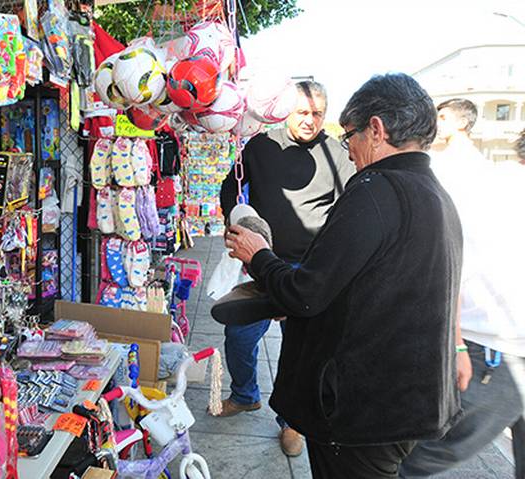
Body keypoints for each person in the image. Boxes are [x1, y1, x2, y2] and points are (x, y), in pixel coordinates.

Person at [217, 73, 463, 478]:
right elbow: (374, 288)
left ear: (377, 129)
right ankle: (246, 395)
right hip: (405, 403)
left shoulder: (375, 189)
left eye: (350, 135)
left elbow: (306, 294)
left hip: (363, 412)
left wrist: (259, 256)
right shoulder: (433, 192)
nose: (348, 150)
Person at [216, 80, 355, 457]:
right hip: (264, 261)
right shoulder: (260, 144)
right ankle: (245, 395)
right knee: (239, 334)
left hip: (313, 267)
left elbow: (350, 208)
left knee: (303, 349)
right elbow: (231, 187)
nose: (310, 121)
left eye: (318, 114)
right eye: (303, 112)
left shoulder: (337, 154)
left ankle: (292, 422)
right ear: (286, 110)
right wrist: (237, 219)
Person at [398, 101, 525, 477]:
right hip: (494, 354)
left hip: (496, 351)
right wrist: (454, 344)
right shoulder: (499, 188)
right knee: (421, 459)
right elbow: (448, 263)